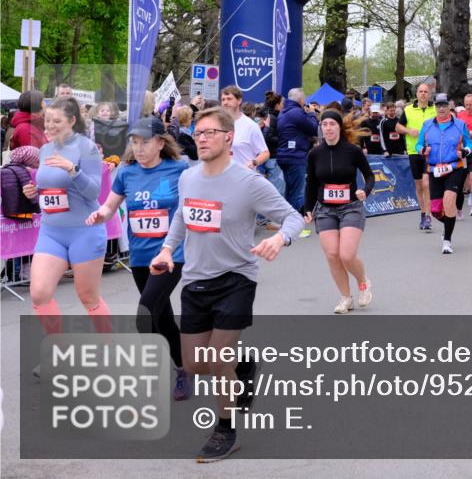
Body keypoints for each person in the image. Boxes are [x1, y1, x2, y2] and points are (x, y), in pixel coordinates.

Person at [150, 107, 304, 463]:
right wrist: (167, 249)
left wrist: (280, 239)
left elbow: (292, 217)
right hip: (195, 280)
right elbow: (182, 215)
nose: (201, 138)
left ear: (228, 137)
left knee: (217, 361)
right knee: (193, 364)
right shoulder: (189, 177)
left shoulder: (249, 182)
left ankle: (225, 428)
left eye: (209, 133)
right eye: (198, 132)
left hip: (236, 277)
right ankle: (245, 366)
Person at [86, 117, 192, 400]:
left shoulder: (180, 169)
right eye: (135, 142)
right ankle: (183, 367)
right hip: (140, 255)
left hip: (171, 254)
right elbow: (110, 205)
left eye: (145, 142)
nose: (139, 147)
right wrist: (101, 214)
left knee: (146, 310)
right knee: (162, 316)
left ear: (160, 142)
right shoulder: (126, 172)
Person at [25, 98, 110, 338]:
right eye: (47, 120)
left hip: (84, 230)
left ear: (72, 121)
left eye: (56, 121)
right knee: (39, 293)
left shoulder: (87, 148)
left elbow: (94, 191)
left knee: (88, 296)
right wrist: (34, 193)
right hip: (51, 231)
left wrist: (72, 170)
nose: (50, 126)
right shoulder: (45, 150)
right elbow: (50, 190)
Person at [303, 110, 375, 314]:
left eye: (332, 124)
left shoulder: (352, 151)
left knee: (347, 254)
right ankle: (345, 298)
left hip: (350, 207)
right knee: (333, 255)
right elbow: (311, 184)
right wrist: (307, 208)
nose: (328, 128)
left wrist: (365, 191)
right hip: (325, 210)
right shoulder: (315, 153)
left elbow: (369, 176)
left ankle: (363, 282)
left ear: (338, 127)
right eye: (324, 124)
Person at [417, 93, 472, 254]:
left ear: (449, 106)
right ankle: (449, 224)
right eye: (438, 105)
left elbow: (468, 143)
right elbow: (419, 143)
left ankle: (447, 240)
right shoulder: (427, 125)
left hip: (454, 168)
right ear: (435, 107)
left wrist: (465, 151)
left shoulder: (460, 125)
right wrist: (422, 149)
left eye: (444, 105)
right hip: (434, 169)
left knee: (449, 201)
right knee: (435, 210)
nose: (441, 108)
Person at [276, 88, 317, 235]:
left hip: (284, 155)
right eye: (304, 98)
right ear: (300, 99)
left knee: (290, 192)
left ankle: (287, 225)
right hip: (295, 156)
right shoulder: (297, 113)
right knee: (297, 194)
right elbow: (313, 128)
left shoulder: (283, 112)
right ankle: (295, 228)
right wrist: (312, 113)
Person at [396, 83, 437, 232]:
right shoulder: (408, 110)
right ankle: (422, 213)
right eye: (421, 91)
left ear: (430, 94)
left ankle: (428, 216)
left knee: (426, 184)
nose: (423, 94)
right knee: (419, 186)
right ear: (417, 94)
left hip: (430, 152)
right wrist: (408, 130)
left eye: (426, 91)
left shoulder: (435, 109)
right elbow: (398, 127)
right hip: (414, 151)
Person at [220, 85, 270, 170]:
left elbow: (265, 153)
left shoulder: (250, 126)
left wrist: (254, 162)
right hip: (222, 177)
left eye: (229, 99)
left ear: (239, 100)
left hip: (244, 178)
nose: (225, 102)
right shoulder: (218, 123)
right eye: (223, 99)